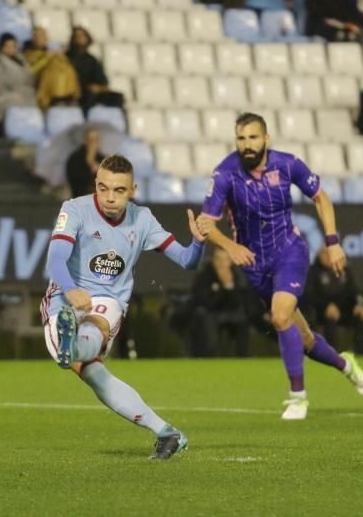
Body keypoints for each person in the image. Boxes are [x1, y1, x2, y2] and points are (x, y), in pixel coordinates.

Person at [196, 113, 363, 420]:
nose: (247, 145)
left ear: (266, 139)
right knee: (304, 338)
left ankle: (298, 397)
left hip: (289, 252)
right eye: (241, 139)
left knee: (281, 317)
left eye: (253, 137)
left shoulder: (288, 164)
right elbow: (205, 224)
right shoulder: (224, 174)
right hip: (254, 264)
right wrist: (230, 246)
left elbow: (321, 198)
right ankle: (347, 366)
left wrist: (332, 241)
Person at [42, 154, 208, 459]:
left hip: (109, 299)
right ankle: (167, 433)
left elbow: (187, 261)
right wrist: (71, 289)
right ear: (95, 185)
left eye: (118, 191)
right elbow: (55, 259)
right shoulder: (75, 209)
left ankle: (75, 345)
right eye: (103, 188)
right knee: (91, 373)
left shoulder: (142, 219)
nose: (109, 198)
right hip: (64, 299)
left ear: (132, 190)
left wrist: (197, 243)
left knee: (97, 325)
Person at [187, 246, 259, 358]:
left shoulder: (238, 275)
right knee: (207, 323)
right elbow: (203, 301)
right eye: (218, 259)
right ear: (213, 260)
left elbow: (241, 301)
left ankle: (243, 360)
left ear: (230, 261)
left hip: (234, 314)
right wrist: (221, 289)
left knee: (243, 321)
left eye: (225, 259)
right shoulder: (204, 275)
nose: (221, 263)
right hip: (212, 313)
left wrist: (228, 286)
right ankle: (210, 360)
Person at [303, 245, 363, 355]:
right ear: (320, 255)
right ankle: (330, 354)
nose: (328, 257)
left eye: (330, 253)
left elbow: (355, 292)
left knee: (361, 316)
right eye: (325, 253)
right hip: (321, 312)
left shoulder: (345, 270)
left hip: (344, 311)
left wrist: (359, 305)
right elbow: (309, 295)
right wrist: (326, 305)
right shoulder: (313, 271)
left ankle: (360, 353)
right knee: (331, 317)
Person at [65, 26, 111, 110]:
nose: (80, 38)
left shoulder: (92, 60)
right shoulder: (65, 58)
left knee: (117, 98)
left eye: (82, 35)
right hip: (71, 91)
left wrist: (98, 88)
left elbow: (104, 84)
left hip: (88, 92)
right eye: (77, 36)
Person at [65, 128, 105, 198]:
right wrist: (89, 163)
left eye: (96, 140)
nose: (94, 143)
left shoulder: (102, 159)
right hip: (81, 198)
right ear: (85, 141)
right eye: (91, 140)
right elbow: (75, 181)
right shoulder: (75, 158)